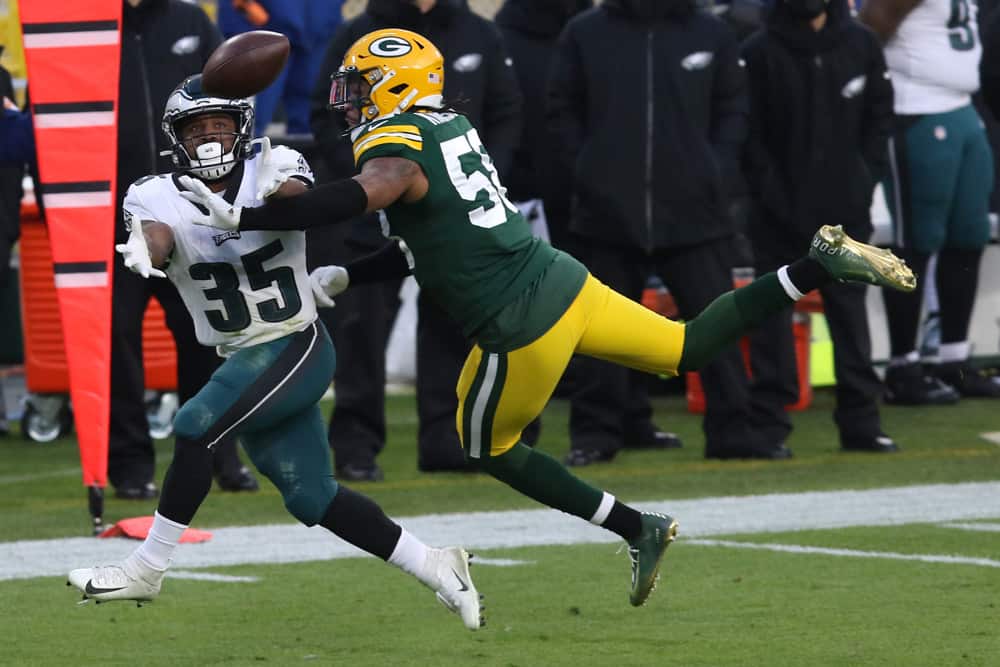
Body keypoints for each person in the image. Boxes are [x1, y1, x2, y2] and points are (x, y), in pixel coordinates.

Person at [180, 28, 917, 607]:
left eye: (361, 87)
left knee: (487, 445)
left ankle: (640, 528)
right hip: (560, 278)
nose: (351, 102)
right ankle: (818, 263)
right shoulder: (449, 126)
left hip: (517, 319)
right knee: (688, 345)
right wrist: (350, 269)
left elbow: (366, 194)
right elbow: (432, 235)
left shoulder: (394, 142)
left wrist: (248, 211)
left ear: (397, 85)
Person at [66, 75, 483, 630]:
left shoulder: (274, 162)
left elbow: (295, 204)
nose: (210, 139)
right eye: (197, 129)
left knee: (194, 425)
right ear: (176, 138)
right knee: (313, 498)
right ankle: (436, 565)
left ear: (241, 129)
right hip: (240, 359)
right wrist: (145, 245)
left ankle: (148, 566)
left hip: (296, 344)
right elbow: (157, 233)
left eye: (220, 126)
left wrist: (258, 200)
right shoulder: (151, 191)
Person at [308, 0, 523, 480]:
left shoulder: (479, 32)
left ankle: (446, 439)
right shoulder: (358, 35)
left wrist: (480, 180)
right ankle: (355, 444)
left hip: (452, 221)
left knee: (451, 326)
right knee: (361, 328)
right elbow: (327, 117)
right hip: (373, 216)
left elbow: (507, 111)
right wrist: (372, 183)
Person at [546, 0, 756, 463]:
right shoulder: (584, 32)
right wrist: (589, 171)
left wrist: (713, 170)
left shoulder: (711, 31)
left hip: (695, 211)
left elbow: (734, 108)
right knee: (600, 334)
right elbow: (561, 109)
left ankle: (733, 431)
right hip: (606, 213)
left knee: (716, 323)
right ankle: (597, 434)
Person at [112, 0, 257, 499]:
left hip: (190, 209)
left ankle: (217, 452)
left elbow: (227, 108)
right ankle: (130, 464)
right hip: (112, 215)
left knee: (209, 339)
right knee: (115, 340)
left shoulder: (192, 21)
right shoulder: (89, 29)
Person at [741, 0, 900, 452]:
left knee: (850, 315)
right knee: (771, 315)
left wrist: (862, 181)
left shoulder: (862, 44)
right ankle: (769, 426)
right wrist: (771, 195)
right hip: (776, 213)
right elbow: (749, 135)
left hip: (845, 212)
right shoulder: (758, 51)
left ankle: (861, 424)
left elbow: (879, 119)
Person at [860, 0, 1000, 402]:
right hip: (915, 109)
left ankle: (953, 359)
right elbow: (868, 33)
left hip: (962, 110)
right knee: (915, 242)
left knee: (969, 237)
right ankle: (903, 364)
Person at [217, 0, 345, 136]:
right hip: (264, 33)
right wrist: (245, 20)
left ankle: (306, 156)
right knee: (250, 119)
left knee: (312, 120)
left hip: (318, 34)